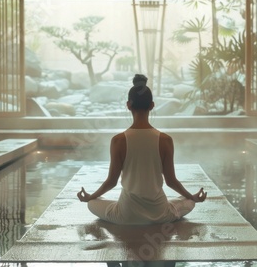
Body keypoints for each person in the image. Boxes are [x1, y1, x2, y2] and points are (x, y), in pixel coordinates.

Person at [77, 74, 207, 225]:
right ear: (152, 105)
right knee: (188, 202)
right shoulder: (165, 140)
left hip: (126, 215)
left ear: (128, 105)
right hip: (159, 213)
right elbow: (171, 181)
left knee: (92, 203)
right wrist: (192, 197)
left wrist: (90, 196)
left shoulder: (118, 140)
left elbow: (111, 182)